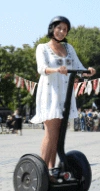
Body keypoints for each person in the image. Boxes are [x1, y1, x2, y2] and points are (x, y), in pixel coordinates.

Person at [31, 16, 94, 179]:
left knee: (59, 134)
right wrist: (57, 70)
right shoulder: (42, 48)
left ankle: (52, 170)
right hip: (50, 92)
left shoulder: (68, 48)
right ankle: (42, 172)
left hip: (65, 94)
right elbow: (41, 68)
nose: (61, 32)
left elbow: (78, 67)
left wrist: (88, 71)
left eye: (65, 29)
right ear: (52, 28)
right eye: (59, 28)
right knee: (51, 133)